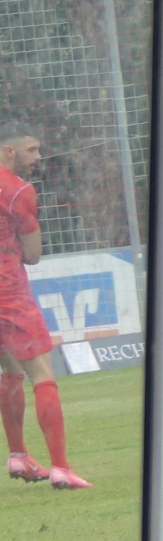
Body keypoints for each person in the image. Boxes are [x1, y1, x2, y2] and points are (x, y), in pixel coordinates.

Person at [0, 124, 85, 488]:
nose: (38, 157)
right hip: (8, 294)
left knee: (10, 370)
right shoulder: (17, 189)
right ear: (9, 151)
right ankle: (61, 468)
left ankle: (18, 455)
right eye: (32, 150)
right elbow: (33, 254)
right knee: (42, 375)